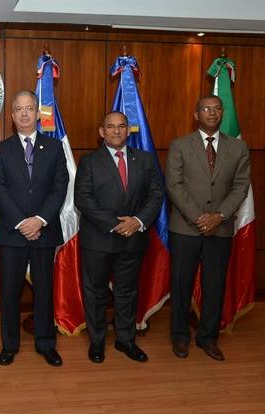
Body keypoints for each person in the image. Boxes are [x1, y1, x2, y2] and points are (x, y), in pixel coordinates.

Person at [74, 111, 163, 364]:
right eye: (110, 127)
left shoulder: (145, 160)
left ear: (129, 130)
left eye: (121, 126)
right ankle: (97, 342)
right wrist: (115, 224)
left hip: (133, 238)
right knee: (96, 293)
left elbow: (156, 195)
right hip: (99, 240)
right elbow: (83, 198)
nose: (116, 131)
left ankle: (126, 340)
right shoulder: (89, 161)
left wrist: (137, 222)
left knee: (127, 292)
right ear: (101, 132)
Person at [166, 95, 250, 361]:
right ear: (196, 114)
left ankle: (208, 337)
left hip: (221, 228)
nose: (211, 113)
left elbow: (240, 186)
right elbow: (174, 185)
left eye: (216, 109)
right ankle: (180, 336)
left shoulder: (238, 148)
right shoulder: (180, 145)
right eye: (206, 109)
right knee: (181, 284)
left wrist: (220, 215)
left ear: (222, 113)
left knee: (215, 286)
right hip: (185, 228)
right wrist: (200, 217)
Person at [0, 90, 68, 367]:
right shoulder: (1, 149)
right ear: (12, 116)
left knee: (44, 291)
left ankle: (46, 344)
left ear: (38, 114)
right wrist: (23, 223)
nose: (24, 113)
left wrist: (40, 220)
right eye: (19, 109)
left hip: (45, 231)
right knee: (9, 292)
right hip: (13, 232)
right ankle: (9, 345)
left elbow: (60, 187)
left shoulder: (55, 148)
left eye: (29, 108)